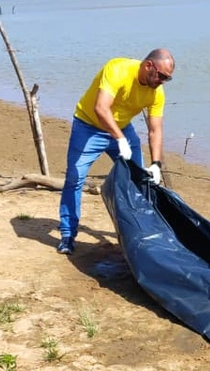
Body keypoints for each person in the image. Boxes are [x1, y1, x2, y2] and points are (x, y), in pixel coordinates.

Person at [56, 49, 174, 255]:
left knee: (139, 181)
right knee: (75, 178)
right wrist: (120, 139)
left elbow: (155, 130)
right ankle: (67, 234)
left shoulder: (157, 92)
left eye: (167, 79)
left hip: (122, 128)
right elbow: (101, 108)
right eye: (161, 76)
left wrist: (156, 164)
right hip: (88, 126)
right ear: (148, 65)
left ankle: (140, 234)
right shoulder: (118, 69)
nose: (162, 82)